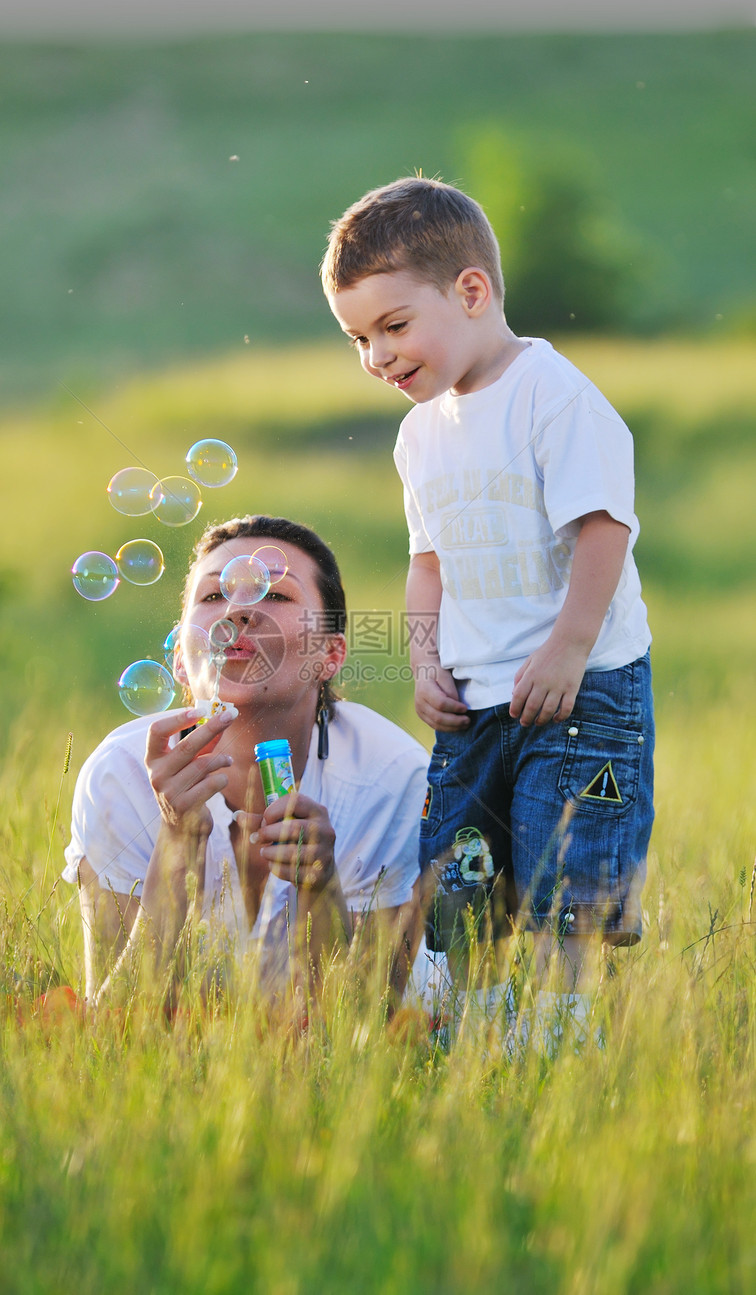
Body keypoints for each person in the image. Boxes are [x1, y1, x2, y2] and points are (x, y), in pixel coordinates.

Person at [321, 177, 655, 1046]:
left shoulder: (554, 395)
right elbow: (425, 565)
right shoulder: (420, 433)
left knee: (562, 867)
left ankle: (557, 1022)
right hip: (474, 699)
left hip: (580, 695)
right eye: (359, 338)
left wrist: (568, 649)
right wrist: (426, 663)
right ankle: (456, 1020)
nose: (377, 356)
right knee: (460, 868)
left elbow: (602, 530)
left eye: (394, 326)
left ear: (470, 291)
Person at [63, 515, 433, 1019]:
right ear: (178, 656)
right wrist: (177, 840)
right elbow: (115, 1032)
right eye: (214, 597)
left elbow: (361, 1036)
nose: (237, 611)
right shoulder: (119, 775)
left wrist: (320, 887)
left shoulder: (391, 778)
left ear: (330, 653)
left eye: (276, 596)